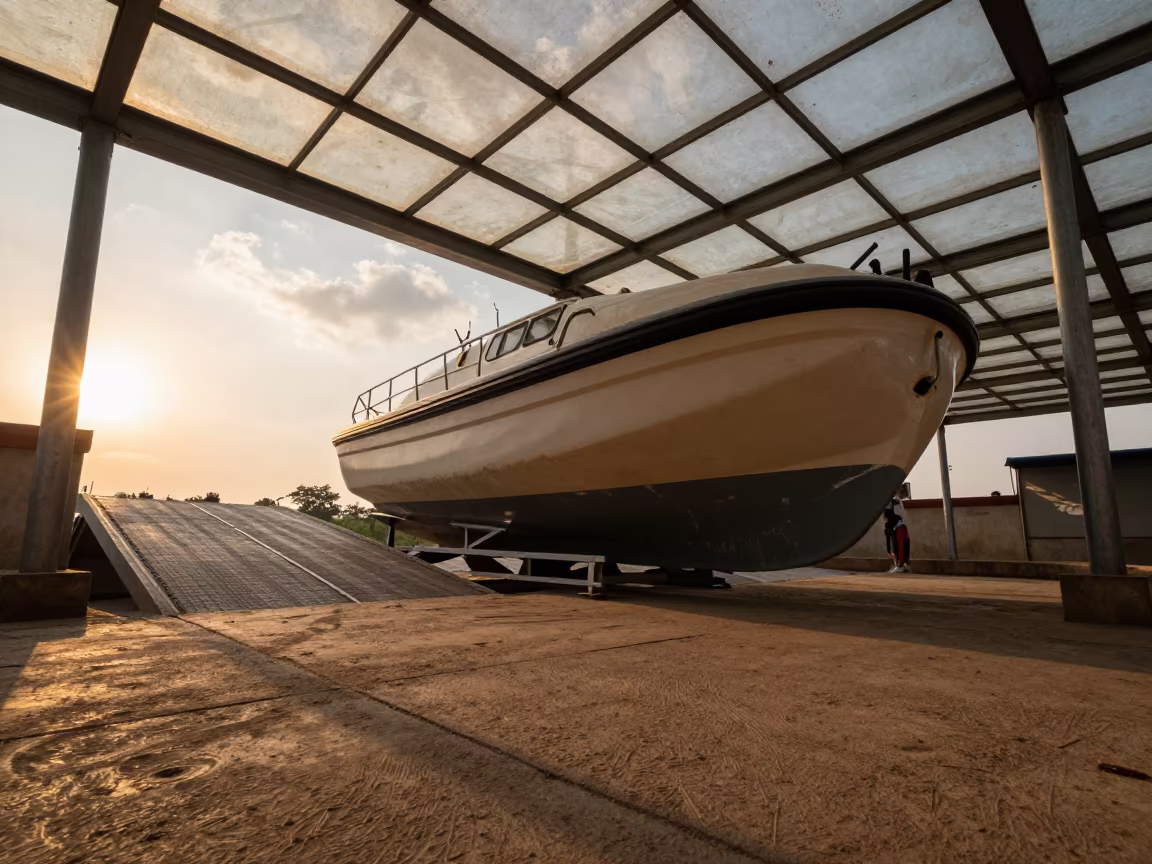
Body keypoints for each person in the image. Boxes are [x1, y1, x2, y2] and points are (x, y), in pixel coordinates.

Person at [884, 500, 911, 573]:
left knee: (900, 547)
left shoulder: (891, 521)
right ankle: (903, 565)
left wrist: (889, 550)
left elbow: (888, 538)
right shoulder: (896, 516)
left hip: (900, 528)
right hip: (901, 527)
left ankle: (900, 565)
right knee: (903, 546)